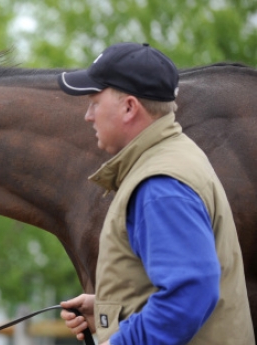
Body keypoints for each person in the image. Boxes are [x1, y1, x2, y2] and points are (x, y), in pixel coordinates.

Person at [57, 42, 255, 344]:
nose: (88, 115)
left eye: (95, 102)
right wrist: (111, 310)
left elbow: (190, 293)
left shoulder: (160, 185)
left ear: (129, 107)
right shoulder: (173, 158)